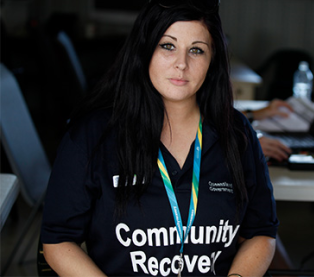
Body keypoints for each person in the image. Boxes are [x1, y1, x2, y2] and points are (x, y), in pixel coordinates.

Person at [41, 1, 279, 276]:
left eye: (196, 50)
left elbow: (261, 232)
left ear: (212, 60)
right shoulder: (91, 136)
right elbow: (58, 239)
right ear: (145, 50)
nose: (182, 64)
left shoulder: (237, 134)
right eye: (168, 46)